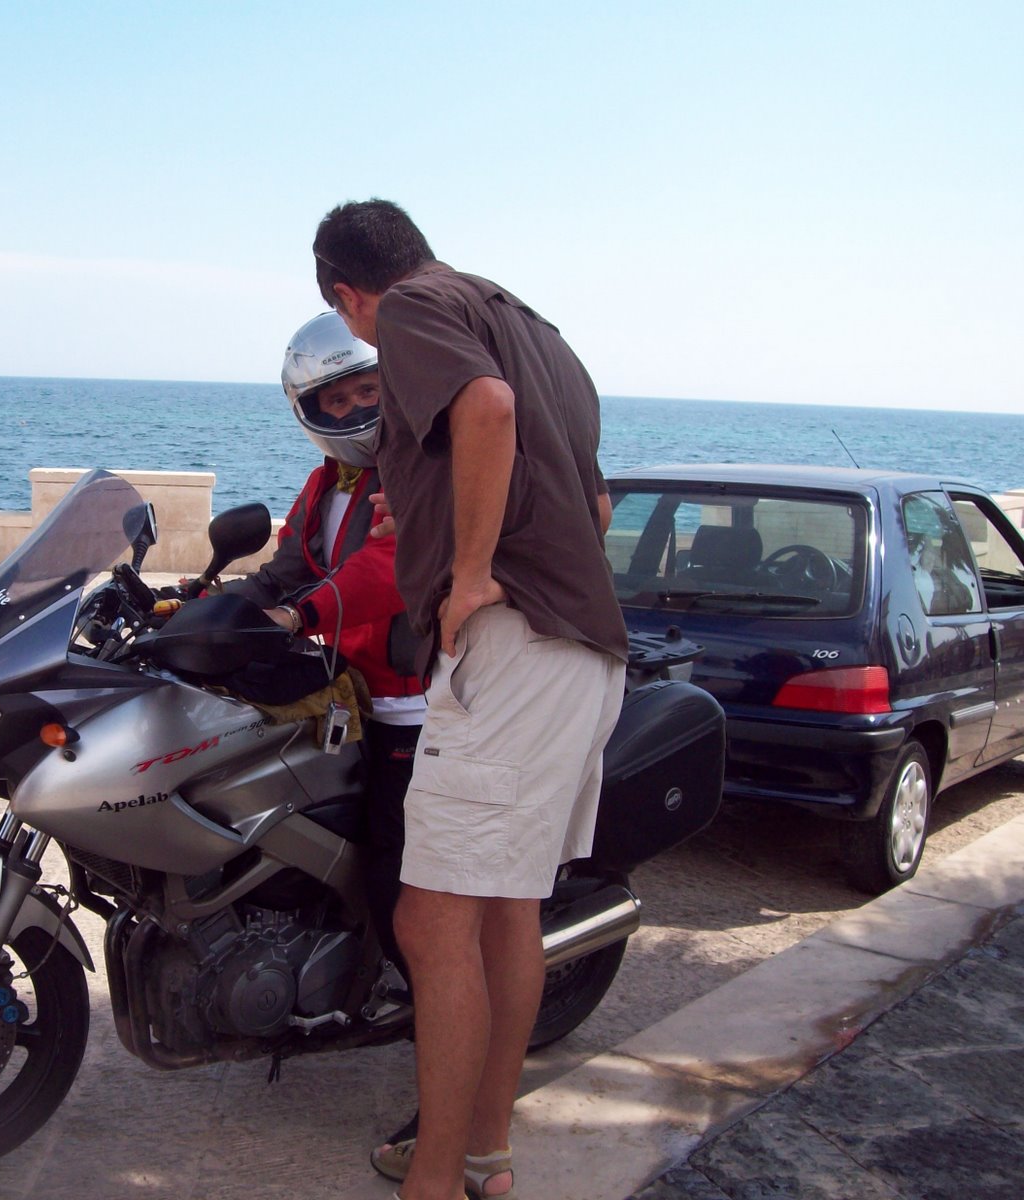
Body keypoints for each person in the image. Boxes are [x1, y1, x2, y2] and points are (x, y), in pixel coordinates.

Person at [310, 199, 629, 1200]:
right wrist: (443, 521)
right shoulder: (534, 327)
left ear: (346, 296)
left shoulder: (410, 310)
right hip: (583, 649)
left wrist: (474, 571)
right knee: (503, 918)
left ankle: (434, 1182)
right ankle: (483, 1154)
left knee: (430, 925)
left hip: (513, 650)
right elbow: (592, 502)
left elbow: (485, 409)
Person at [223, 311, 426, 973]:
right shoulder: (326, 482)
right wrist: (199, 604)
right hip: (344, 688)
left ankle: (414, 987)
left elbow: (385, 570)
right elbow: (285, 568)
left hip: (408, 702)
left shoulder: (413, 473)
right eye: (336, 400)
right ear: (312, 411)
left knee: (391, 859)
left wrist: (297, 615)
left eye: (367, 390)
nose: (355, 407)